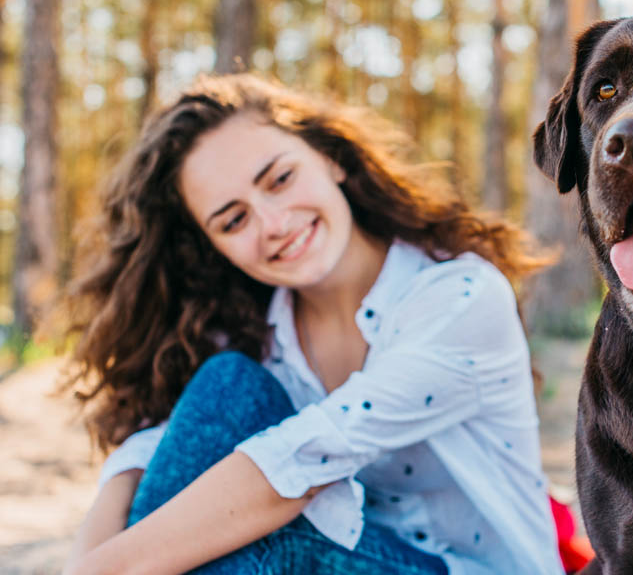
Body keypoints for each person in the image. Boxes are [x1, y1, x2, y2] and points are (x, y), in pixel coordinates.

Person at [61, 73, 564, 575]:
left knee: (251, 543)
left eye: (279, 180)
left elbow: (306, 457)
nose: (274, 224)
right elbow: (159, 443)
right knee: (226, 385)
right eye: (234, 221)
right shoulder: (260, 329)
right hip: (344, 555)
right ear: (213, 246)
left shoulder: (459, 298)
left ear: (330, 158)